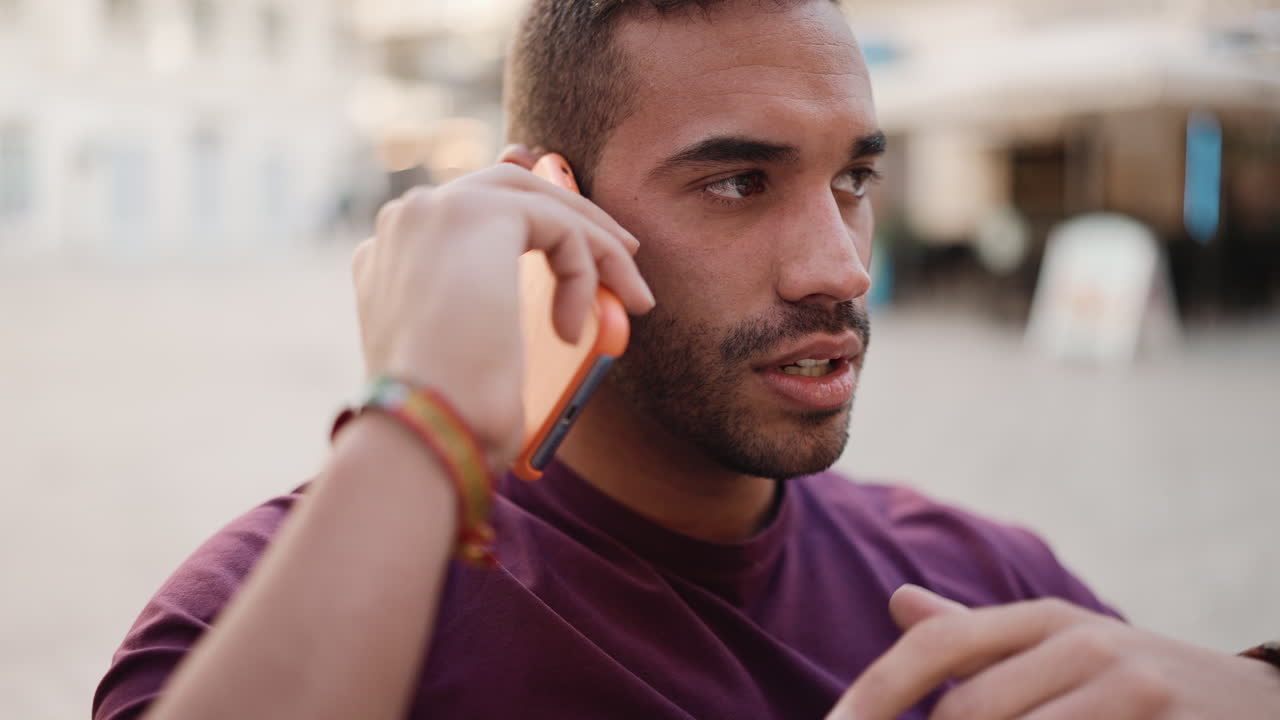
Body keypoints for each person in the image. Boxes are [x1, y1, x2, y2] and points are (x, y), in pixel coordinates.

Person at [93, 1, 1280, 718]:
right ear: (545, 205)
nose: (839, 266)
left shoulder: (986, 583)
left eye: (854, 179)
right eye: (736, 181)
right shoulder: (268, 616)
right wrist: (424, 424)